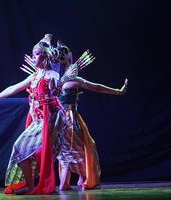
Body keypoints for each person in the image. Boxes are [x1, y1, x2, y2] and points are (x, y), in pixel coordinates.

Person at [0, 34, 70, 195]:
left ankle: (34, 184)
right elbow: (13, 88)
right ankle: (30, 185)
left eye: (35, 54)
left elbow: (56, 87)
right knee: (21, 150)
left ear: (44, 56)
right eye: (33, 54)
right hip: (36, 122)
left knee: (20, 147)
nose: (32, 57)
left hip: (47, 121)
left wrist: (55, 88)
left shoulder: (51, 75)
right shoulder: (34, 76)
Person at [49, 41, 128, 190]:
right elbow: (97, 87)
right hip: (68, 118)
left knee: (69, 150)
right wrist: (118, 91)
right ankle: (76, 180)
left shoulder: (57, 80)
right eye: (67, 54)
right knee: (83, 147)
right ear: (66, 58)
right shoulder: (72, 80)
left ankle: (69, 182)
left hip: (60, 118)